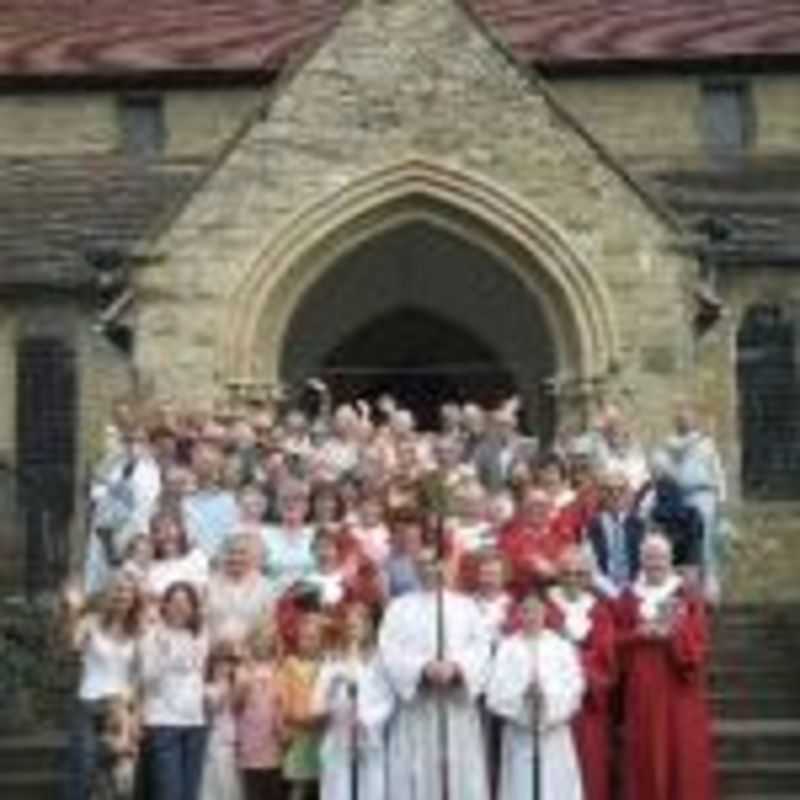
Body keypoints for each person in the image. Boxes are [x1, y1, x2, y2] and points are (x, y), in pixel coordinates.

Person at [378, 545, 492, 800]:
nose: (430, 570)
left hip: (455, 707)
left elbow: (481, 648)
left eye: (435, 563)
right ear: (415, 568)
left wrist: (458, 667)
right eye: (423, 564)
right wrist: (421, 668)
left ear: (447, 567)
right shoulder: (399, 608)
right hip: (418, 706)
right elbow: (389, 650)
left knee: (459, 775)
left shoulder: (466, 606)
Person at [616, 534, 717, 800]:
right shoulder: (628, 598)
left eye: (660, 556)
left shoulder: (687, 596)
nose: (655, 563)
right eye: (649, 556)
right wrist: (640, 633)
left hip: (679, 689)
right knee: (645, 754)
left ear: (671, 559)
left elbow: (700, 642)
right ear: (641, 560)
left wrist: (673, 634)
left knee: (682, 754)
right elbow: (614, 641)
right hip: (643, 689)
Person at [486, 588, 585, 800]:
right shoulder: (507, 648)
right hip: (519, 735)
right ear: (518, 614)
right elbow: (494, 693)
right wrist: (522, 695)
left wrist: (548, 698)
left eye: (536, 611)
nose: (531, 617)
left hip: (554, 735)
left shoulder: (561, 647)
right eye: (525, 611)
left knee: (555, 787)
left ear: (545, 612)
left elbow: (575, 688)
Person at [59, 574, 141, 800]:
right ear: (107, 593)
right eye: (117, 589)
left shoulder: (137, 628)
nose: (122, 595)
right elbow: (71, 646)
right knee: (83, 768)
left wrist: (134, 713)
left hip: (121, 709)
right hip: (89, 703)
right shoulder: (91, 621)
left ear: (134, 597)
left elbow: (138, 675)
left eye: (127, 591)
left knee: (120, 777)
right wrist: (72, 612)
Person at [549, 548, 616, 800]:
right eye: (566, 573)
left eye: (579, 574)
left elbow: (606, 656)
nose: (572, 579)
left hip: (589, 704)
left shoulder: (599, 611)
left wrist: (577, 661)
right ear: (558, 575)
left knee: (591, 768)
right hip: (554, 703)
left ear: (588, 577)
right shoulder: (545, 607)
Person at [313, 603, 394, 800]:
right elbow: (319, 697)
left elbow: (388, 699)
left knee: (370, 788)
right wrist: (326, 704)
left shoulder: (379, 660)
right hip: (339, 735)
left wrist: (367, 719)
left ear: (369, 628)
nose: (353, 630)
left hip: (368, 736)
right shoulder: (333, 660)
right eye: (350, 626)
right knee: (339, 788)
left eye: (358, 625)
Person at [139, 581, 210, 800]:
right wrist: (164, 653)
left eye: (186, 602)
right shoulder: (151, 634)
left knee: (189, 793)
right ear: (165, 605)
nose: (181, 607)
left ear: (193, 607)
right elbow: (147, 677)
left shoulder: (199, 636)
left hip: (194, 723)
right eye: (175, 601)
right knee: (169, 792)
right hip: (163, 722)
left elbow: (199, 672)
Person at [658, 401, 726, 602]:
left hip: (703, 495)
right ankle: (685, 587)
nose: (684, 421)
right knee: (682, 541)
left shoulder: (706, 443)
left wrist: (721, 498)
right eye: (680, 418)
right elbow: (664, 465)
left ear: (694, 420)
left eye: (688, 417)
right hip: (680, 497)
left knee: (706, 538)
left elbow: (717, 471)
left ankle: (710, 583)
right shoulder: (669, 443)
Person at [277, 612, 326, 800]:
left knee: (322, 781)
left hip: (319, 731)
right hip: (297, 733)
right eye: (303, 638)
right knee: (299, 784)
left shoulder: (325, 665)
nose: (307, 643)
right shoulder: (290, 665)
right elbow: (283, 696)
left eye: (313, 638)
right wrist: (290, 719)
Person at [234, 627, 285, 800]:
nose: (262, 644)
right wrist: (242, 688)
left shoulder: (277, 668)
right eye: (259, 640)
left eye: (267, 640)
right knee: (253, 789)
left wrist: (282, 730)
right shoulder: (243, 670)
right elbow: (236, 704)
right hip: (250, 740)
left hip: (272, 741)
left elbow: (279, 703)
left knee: (273, 788)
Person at [585, 472, 645, 598]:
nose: (615, 495)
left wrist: (633, 590)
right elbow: (590, 566)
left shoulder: (641, 525)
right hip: (601, 593)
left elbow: (646, 564)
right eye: (609, 490)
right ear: (600, 494)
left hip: (638, 591)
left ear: (629, 494)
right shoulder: (591, 526)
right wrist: (610, 592)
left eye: (621, 490)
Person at [206, 533, 275, 643]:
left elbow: (269, 625)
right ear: (222, 556)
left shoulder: (265, 587)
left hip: (252, 652)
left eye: (242, 553)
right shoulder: (208, 584)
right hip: (214, 651)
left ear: (251, 557)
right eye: (231, 553)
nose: (236, 558)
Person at [200, 640, 245, 800]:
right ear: (212, 664)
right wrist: (223, 688)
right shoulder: (206, 688)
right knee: (212, 784)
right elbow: (212, 710)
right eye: (220, 662)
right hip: (213, 740)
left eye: (229, 663)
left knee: (230, 783)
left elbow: (237, 707)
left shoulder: (234, 685)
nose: (224, 667)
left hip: (229, 740)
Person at [183, 444, 239, 563]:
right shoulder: (183, 499)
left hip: (222, 562)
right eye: (200, 462)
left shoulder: (229, 500)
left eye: (208, 463)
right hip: (190, 562)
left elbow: (232, 534)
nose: (204, 467)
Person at [263, 482, 317, 594]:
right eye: (285, 500)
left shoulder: (317, 534)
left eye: (297, 499)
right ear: (277, 506)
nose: (290, 504)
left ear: (307, 506)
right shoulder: (263, 535)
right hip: (272, 599)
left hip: (311, 600)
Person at [144, 512, 209, 600]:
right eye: (158, 531)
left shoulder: (195, 557)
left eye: (169, 527)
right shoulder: (150, 566)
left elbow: (203, 593)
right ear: (153, 537)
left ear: (180, 530)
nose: (165, 535)